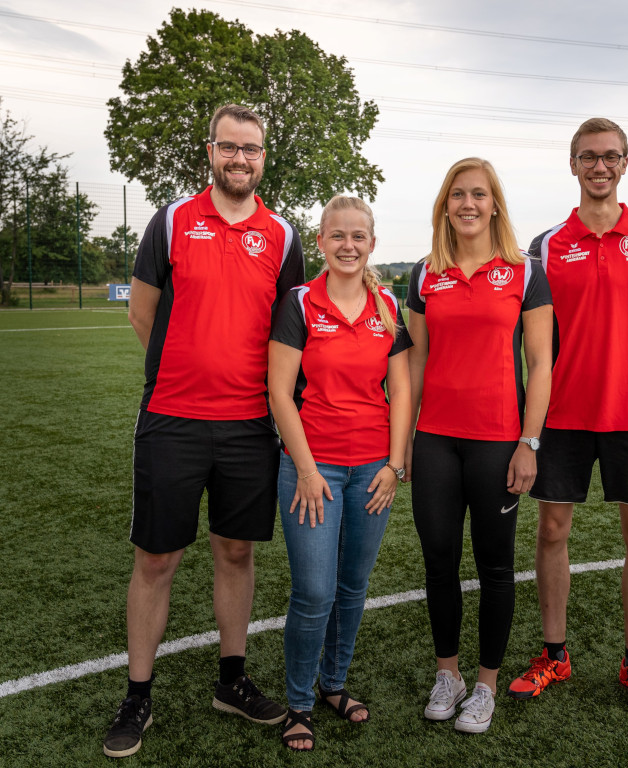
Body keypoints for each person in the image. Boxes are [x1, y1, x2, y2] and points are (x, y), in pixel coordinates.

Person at [102, 104, 305, 759]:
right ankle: (138, 694)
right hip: (172, 420)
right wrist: (188, 371)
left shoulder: (283, 234)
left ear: (263, 158)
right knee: (157, 559)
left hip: (250, 426)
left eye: (251, 149)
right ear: (210, 152)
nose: (239, 159)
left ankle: (231, 679)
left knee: (235, 553)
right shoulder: (171, 221)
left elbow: (289, 334)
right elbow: (142, 311)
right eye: (229, 147)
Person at [507, 118, 628, 713]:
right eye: (588, 157)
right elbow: (534, 336)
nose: (599, 166)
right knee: (552, 531)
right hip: (563, 416)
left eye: (609, 157)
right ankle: (555, 654)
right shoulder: (547, 245)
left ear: (624, 164)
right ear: (573, 165)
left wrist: (626, 373)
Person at [406, 158, 553, 733]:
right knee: (437, 560)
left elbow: (540, 363)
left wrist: (529, 442)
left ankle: (486, 684)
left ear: (495, 204)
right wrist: (408, 440)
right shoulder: (424, 273)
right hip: (437, 440)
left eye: (479, 195)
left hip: (498, 442)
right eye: (458, 195)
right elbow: (413, 363)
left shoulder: (524, 271)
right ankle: (449, 675)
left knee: (495, 565)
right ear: (445, 205)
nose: (468, 204)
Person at [268, 195, 412, 751]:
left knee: (352, 589)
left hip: (373, 471)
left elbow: (399, 390)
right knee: (313, 591)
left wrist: (395, 467)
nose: (348, 246)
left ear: (371, 243)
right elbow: (279, 391)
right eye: (337, 236)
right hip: (314, 470)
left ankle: (334, 685)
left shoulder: (386, 305)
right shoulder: (299, 303)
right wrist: (305, 469)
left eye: (359, 236)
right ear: (321, 241)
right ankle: (298, 702)